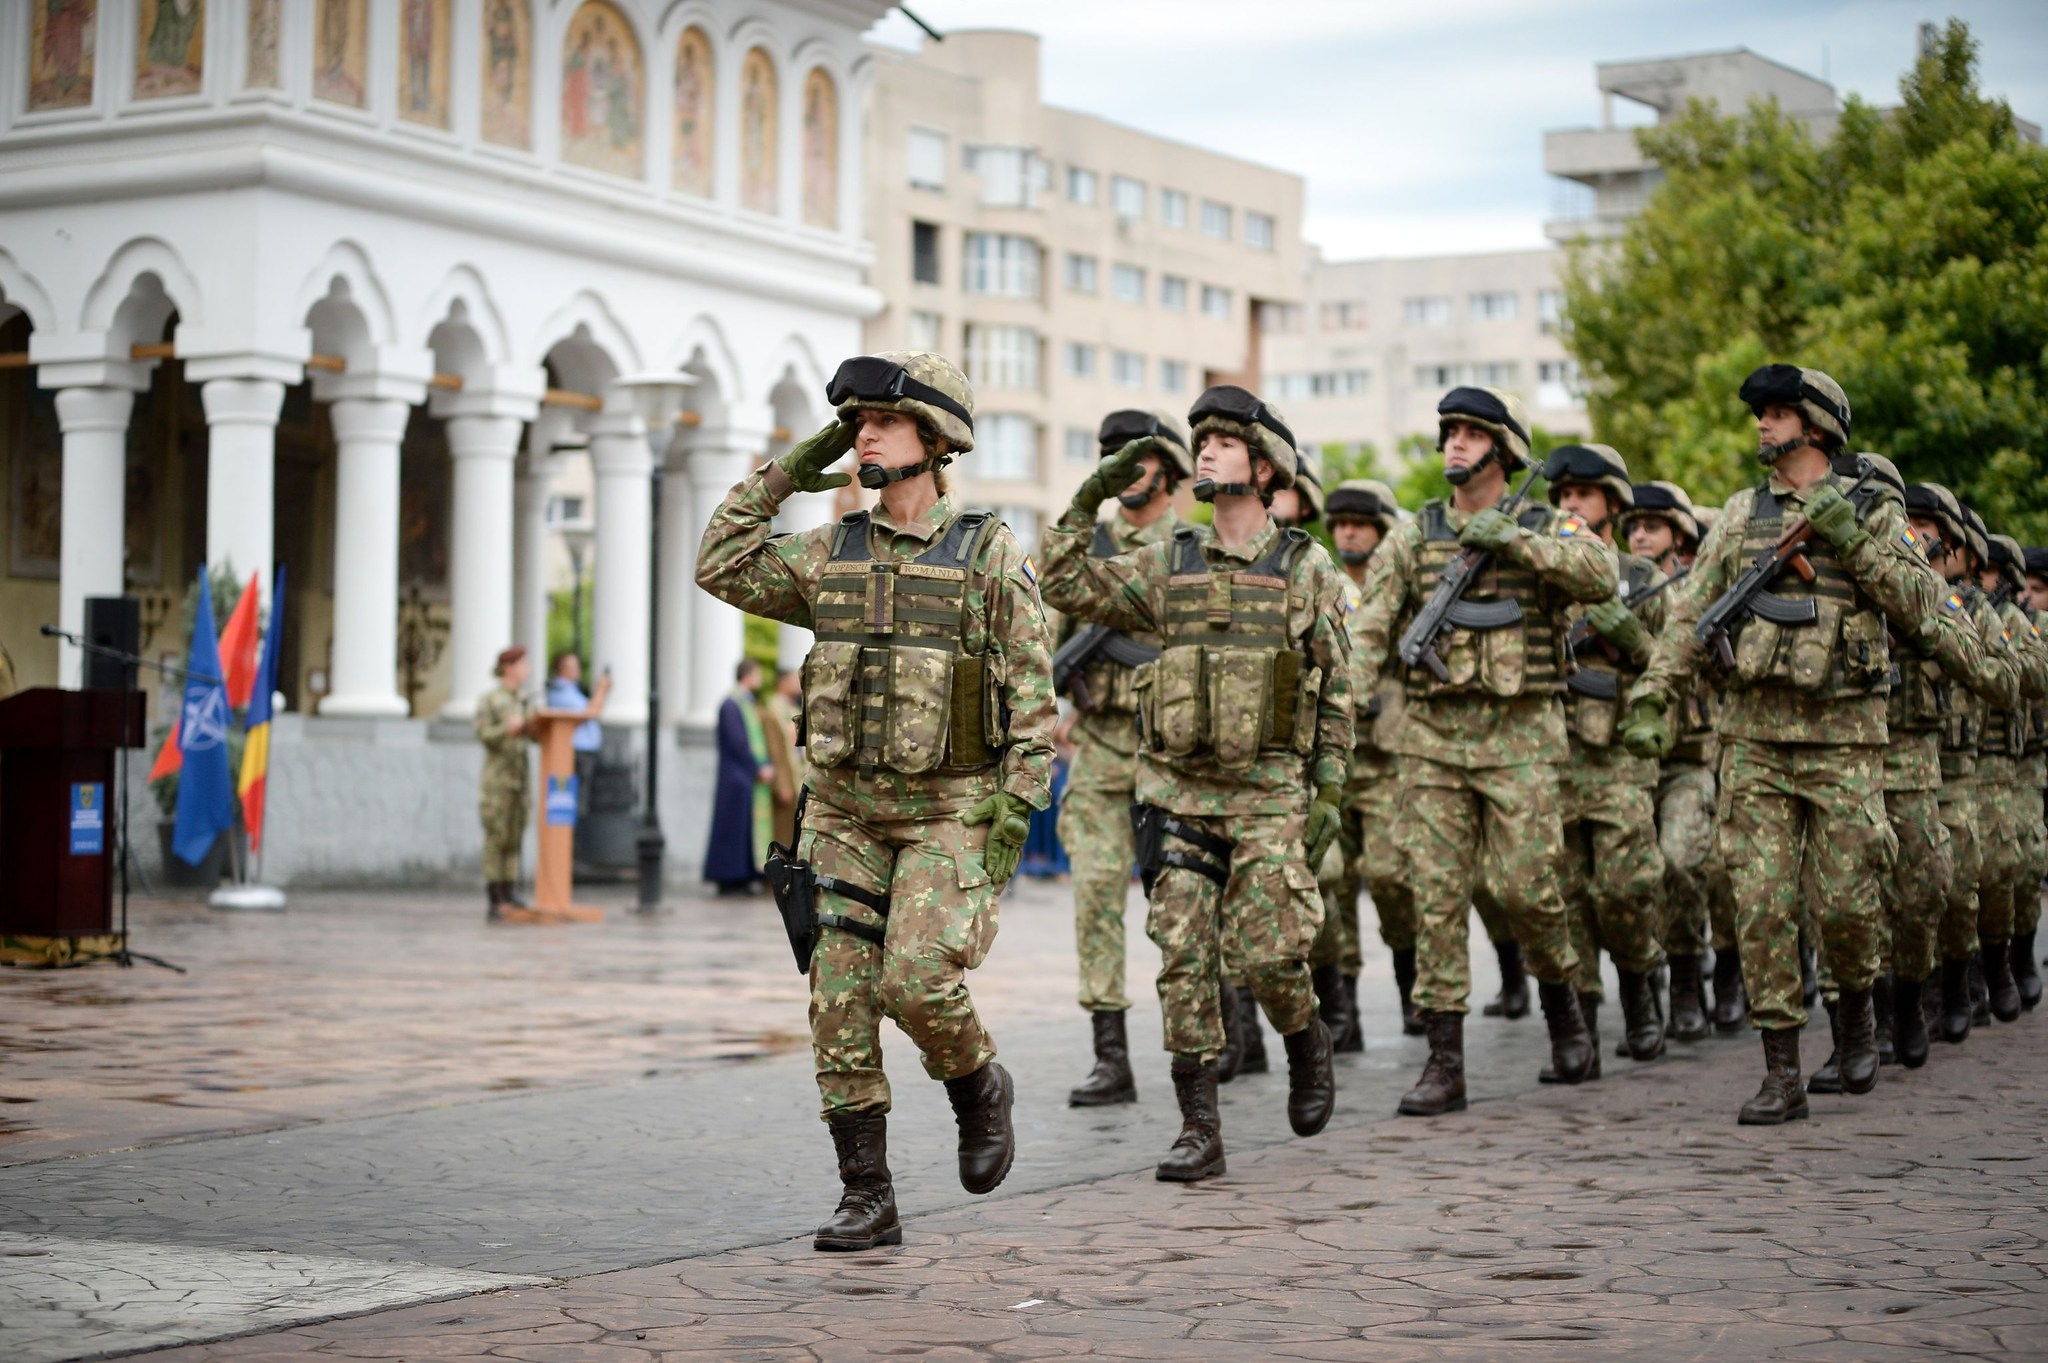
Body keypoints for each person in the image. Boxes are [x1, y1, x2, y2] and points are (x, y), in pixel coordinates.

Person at [696, 350, 1054, 1252]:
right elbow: (720, 561)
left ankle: (977, 1083)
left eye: (883, 421)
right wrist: (790, 471)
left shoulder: (987, 554)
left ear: (934, 439)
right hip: (843, 816)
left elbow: (1034, 699)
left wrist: (1017, 808)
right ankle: (867, 1191)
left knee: (917, 979)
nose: (863, 434)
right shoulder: (832, 551)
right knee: (840, 1003)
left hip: (949, 811)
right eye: (855, 422)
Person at [1038, 384, 1350, 1183]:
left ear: (1265, 466)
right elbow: (1063, 581)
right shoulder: (1168, 559)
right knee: (1181, 955)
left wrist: (1329, 785)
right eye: (1200, 440)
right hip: (1177, 790)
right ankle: (1199, 1125)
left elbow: (1336, 684)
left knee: (1271, 953)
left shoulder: (1305, 566)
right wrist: (1092, 491)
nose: (1204, 451)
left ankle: (1306, 1037)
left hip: (1267, 790)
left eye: (1223, 442)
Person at [1622, 365, 1940, 1124]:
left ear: (1818, 425)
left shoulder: (1874, 508)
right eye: (1759, 413)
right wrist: (1654, 693)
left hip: (1844, 739)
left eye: (1776, 412)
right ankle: (1781, 1072)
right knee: (1761, 906)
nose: (1762, 424)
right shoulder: (1742, 514)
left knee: (1847, 903)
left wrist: (1851, 540)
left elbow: (1922, 607)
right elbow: (1692, 614)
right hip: (1755, 740)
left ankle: (1856, 1015)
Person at [1351, 387, 1615, 1117]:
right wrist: (1336, 712)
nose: (1455, 444)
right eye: (1449, 433)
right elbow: (1369, 632)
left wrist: (1516, 542)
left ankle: (1563, 1010)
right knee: (1436, 898)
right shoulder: (1415, 536)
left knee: (1529, 890)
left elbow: (1602, 576)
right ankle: (1445, 1061)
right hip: (1432, 743)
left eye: (1471, 433)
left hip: (1522, 740)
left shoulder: (1549, 522)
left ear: (1504, 448)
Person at [1055, 409, 1192, 1109]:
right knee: (1095, 899)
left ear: (1169, 469)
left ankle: (1210, 1036)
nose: (1124, 469)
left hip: (1177, 754)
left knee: (1186, 905)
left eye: (1138, 457)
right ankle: (1110, 1056)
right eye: (1112, 456)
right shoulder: (1087, 548)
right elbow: (1048, 642)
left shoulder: (1194, 548)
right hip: (1103, 747)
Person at [1544, 445, 1669, 1073]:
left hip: (1619, 755)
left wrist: (1629, 635)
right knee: (1565, 894)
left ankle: (1641, 986)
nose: (1571, 505)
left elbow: (1676, 664)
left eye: (1584, 495)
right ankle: (1583, 1024)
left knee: (1624, 887)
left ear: (1612, 506)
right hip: (1555, 752)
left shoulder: (1644, 581)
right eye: (1563, 495)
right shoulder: (1544, 572)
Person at [1620, 480, 1724, 1041]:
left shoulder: (1701, 593)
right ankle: (1643, 988)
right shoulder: (1616, 588)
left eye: (1653, 526)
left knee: (1680, 862)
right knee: (1628, 879)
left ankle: (1686, 978)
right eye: (1633, 526)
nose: (1640, 535)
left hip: (1688, 758)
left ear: (1679, 535)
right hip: (1625, 760)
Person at [1325, 479, 1414, 1037]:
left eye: (1360, 524)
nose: (1348, 533)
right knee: (1333, 885)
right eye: (1340, 524)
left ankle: (1412, 985)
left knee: (1390, 876)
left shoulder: (1403, 585)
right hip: (1336, 756)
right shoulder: (1322, 585)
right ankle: (1345, 1008)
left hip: (1389, 758)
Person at [474, 646, 538, 918]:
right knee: (496, 838)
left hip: (520, 780)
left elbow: (536, 735)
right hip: (497, 781)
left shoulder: (524, 700)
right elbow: (484, 735)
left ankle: (510, 893)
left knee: (514, 836)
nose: (527, 670)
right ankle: (495, 896)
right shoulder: (490, 699)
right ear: (509, 667)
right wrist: (507, 728)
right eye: (523, 664)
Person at [705, 658, 773, 894]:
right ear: (747, 676)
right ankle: (729, 878)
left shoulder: (746, 703)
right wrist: (758, 767)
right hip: (735, 777)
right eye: (757, 674)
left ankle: (743, 876)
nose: (760, 679)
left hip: (744, 776)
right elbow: (737, 742)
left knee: (743, 829)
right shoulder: (731, 704)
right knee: (732, 829)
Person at [545, 650, 610, 825]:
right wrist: (601, 689)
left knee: (583, 800)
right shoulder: (559, 691)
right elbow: (589, 712)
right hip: (576, 753)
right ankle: (571, 838)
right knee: (574, 801)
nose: (578, 670)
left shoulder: (573, 690)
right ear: (562, 669)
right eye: (573, 666)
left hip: (585, 752)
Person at [761, 667, 803, 851]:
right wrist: (782, 785)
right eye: (793, 681)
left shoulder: (794, 709)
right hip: (786, 782)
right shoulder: (773, 711)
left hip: (799, 778)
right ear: (782, 683)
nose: (798, 685)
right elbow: (775, 751)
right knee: (784, 835)